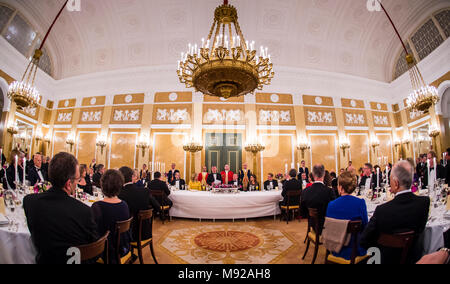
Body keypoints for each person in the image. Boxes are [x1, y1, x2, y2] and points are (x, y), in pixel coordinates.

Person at [23, 152, 98, 264]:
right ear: (68, 184)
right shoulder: (84, 211)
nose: (77, 183)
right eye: (77, 180)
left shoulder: (29, 201)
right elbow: (94, 248)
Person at [360, 160, 430, 264]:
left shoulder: (382, 210)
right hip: (413, 258)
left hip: (384, 260)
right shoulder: (424, 202)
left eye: (390, 180)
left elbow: (364, 240)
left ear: (396, 183)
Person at [326, 171, 368, 260]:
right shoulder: (360, 203)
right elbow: (365, 226)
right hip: (356, 250)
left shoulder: (331, 205)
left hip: (335, 249)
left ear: (340, 187)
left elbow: (329, 229)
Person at [91, 169, 131, 264]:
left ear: (102, 185)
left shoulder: (97, 206)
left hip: (105, 252)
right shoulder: (124, 205)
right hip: (123, 248)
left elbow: (92, 232)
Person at [118, 166, 159, 247]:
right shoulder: (144, 191)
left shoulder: (118, 194)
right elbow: (157, 207)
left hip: (127, 235)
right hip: (145, 232)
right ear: (132, 177)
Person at [301, 164, 336, 232]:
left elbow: (303, 212)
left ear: (313, 175)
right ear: (324, 175)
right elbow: (333, 209)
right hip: (328, 226)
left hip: (312, 224)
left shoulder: (305, 191)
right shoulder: (329, 191)